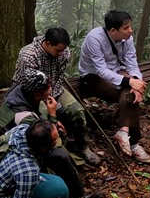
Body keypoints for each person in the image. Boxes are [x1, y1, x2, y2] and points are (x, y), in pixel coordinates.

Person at [0, 70, 83, 198]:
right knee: (61, 154)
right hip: (14, 150)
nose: (49, 95)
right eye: (47, 93)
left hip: (22, 135)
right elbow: (50, 141)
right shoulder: (23, 117)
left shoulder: (22, 90)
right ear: (37, 94)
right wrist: (53, 117)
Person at [79, 10, 150, 164]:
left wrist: (136, 82)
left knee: (131, 94)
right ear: (113, 30)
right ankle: (134, 144)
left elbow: (132, 62)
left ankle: (124, 132)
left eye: (130, 27)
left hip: (116, 72)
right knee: (127, 93)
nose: (130, 31)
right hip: (93, 76)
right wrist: (129, 83)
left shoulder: (128, 39)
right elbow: (100, 70)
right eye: (126, 28)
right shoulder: (95, 38)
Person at [12, 27, 96, 164]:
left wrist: (52, 94)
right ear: (48, 43)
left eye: (63, 50)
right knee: (45, 121)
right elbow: (27, 85)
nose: (61, 53)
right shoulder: (29, 56)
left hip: (52, 89)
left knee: (77, 111)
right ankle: (55, 152)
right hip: (33, 93)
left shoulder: (64, 52)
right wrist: (47, 103)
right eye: (58, 50)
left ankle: (83, 146)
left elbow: (59, 77)